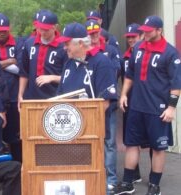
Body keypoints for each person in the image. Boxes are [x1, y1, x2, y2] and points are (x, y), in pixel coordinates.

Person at [113, 15, 181, 195]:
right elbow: (130, 75)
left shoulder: (170, 52)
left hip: (157, 109)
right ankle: (128, 182)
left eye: (149, 31)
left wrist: (171, 107)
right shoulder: (138, 49)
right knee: (131, 144)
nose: (145, 34)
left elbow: (176, 84)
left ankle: (154, 185)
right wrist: (124, 95)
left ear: (159, 31)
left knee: (158, 147)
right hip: (136, 107)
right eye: (144, 31)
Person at [85, 19, 120, 192]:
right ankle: (92, 177)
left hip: (107, 102)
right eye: (90, 34)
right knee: (91, 141)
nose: (93, 37)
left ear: (100, 33)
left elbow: (115, 71)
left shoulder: (111, 50)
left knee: (110, 143)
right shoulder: (83, 53)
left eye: (95, 33)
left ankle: (111, 178)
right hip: (89, 106)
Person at [0, 13, 24, 162]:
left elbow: (22, 66)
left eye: (4, 30)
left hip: (15, 96)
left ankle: (18, 168)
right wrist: (10, 61)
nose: (2, 33)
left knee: (16, 137)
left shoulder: (18, 43)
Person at [56, 22, 117, 103]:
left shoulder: (102, 62)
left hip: (92, 115)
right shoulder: (69, 63)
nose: (64, 48)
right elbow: (60, 96)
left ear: (80, 43)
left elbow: (104, 102)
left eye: (67, 44)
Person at [18, 10, 67, 106]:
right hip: (32, 99)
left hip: (55, 99)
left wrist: (53, 77)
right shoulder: (29, 43)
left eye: (46, 29)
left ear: (55, 27)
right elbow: (24, 72)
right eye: (40, 29)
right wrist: (20, 94)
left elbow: (70, 78)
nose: (42, 32)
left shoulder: (64, 47)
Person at [121, 23, 145, 184]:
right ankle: (134, 173)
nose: (130, 40)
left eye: (133, 37)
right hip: (129, 102)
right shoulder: (124, 57)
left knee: (150, 141)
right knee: (131, 139)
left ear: (141, 36)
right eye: (128, 37)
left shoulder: (146, 54)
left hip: (147, 102)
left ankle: (153, 178)